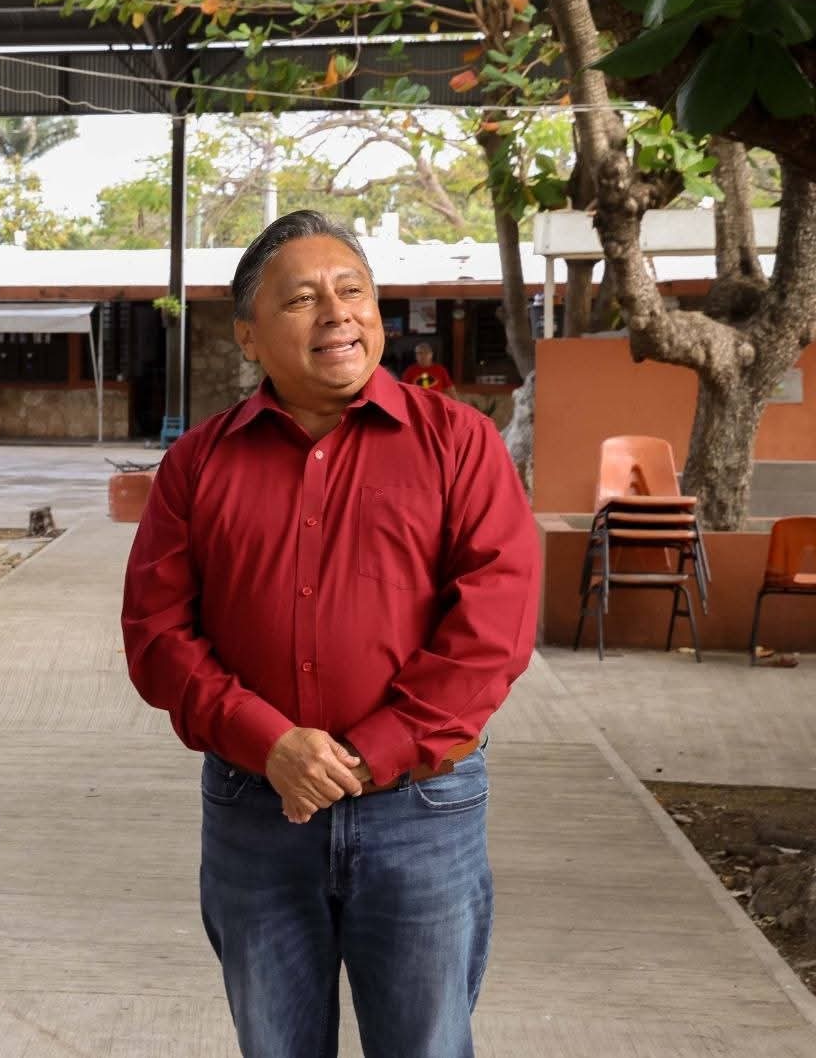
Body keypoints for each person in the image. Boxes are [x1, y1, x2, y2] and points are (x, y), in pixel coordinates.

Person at [120, 210, 539, 1058]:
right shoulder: (198, 465)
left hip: (421, 808)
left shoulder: (458, 444)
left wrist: (370, 752)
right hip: (255, 807)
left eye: (353, 291)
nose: (337, 313)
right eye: (303, 298)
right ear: (247, 334)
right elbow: (157, 632)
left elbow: (493, 626)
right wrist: (269, 742)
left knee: (425, 1044)